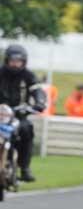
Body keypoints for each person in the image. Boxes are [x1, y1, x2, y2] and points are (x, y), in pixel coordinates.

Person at [0, 44, 46, 182]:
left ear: (23, 62)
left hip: (18, 115)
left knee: (27, 129)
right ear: (7, 60)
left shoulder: (28, 75)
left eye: (18, 61)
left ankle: (24, 168)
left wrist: (39, 102)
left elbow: (37, 90)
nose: (15, 64)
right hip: (0, 115)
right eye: (12, 61)